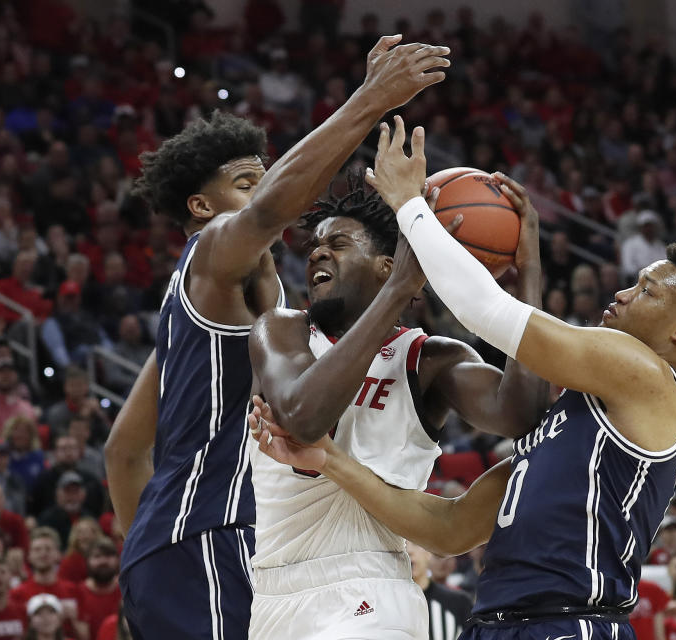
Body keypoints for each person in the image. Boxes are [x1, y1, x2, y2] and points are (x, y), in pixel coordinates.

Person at [250, 118, 676, 639]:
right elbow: (449, 529)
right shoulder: (574, 417)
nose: (625, 293)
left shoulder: (643, 372)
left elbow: (486, 310)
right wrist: (332, 462)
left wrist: (410, 206)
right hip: (498, 622)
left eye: (647, 291)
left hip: (568, 622)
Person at [106, 36, 450, 639]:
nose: (264, 192)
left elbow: (122, 450)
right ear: (201, 204)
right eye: (245, 183)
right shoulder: (210, 253)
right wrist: (370, 101)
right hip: (211, 533)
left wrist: (148, 557)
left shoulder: (205, 319)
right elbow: (268, 212)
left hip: (192, 546)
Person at [245, 171, 546, 639]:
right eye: (315, 247)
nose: (318, 252)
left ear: (389, 264)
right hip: (268, 592)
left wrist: (528, 275)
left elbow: (522, 415)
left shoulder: (429, 359)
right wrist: (399, 289)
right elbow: (303, 415)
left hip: (370, 586)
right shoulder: (281, 330)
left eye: (339, 244)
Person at [406, 541, 472, 640]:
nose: (409, 551)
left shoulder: (460, 602)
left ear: (428, 552)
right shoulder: (388, 603)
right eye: (404, 545)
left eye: (415, 543)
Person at [76, 538, 121, 640]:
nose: (103, 561)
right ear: (87, 561)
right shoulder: (77, 593)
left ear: (117, 559)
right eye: (97, 556)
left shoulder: (127, 589)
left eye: (108, 556)